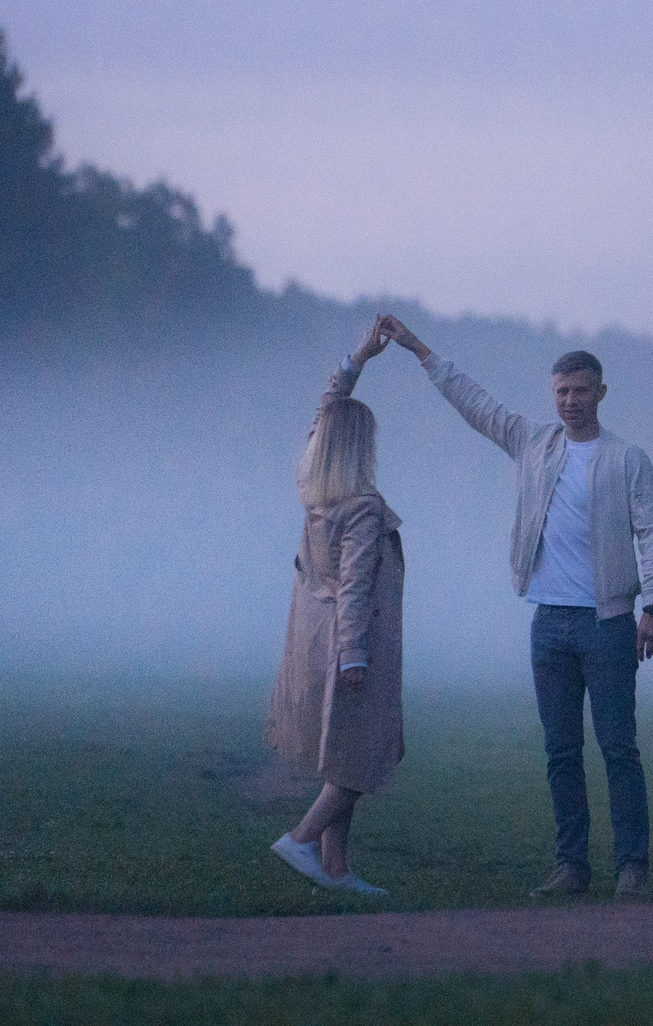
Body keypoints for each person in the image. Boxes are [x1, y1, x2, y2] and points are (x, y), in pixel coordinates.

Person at [378, 314, 653, 898]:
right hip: (549, 622)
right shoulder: (534, 444)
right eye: (561, 391)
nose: (570, 401)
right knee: (560, 751)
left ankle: (631, 865)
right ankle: (571, 867)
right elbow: (476, 404)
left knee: (617, 746)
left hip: (608, 622)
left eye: (580, 390)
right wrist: (417, 349)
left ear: (601, 393)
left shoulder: (626, 459)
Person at [266, 315, 405, 896]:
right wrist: (354, 655)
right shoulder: (363, 508)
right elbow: (355, 585)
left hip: (314, 635)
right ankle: (301, 840)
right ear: (362, 447)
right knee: (364, 758)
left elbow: (327, 405)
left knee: (340, 753)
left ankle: (337, 869)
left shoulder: (317, 495)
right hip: (350, 640)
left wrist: (359, 358)